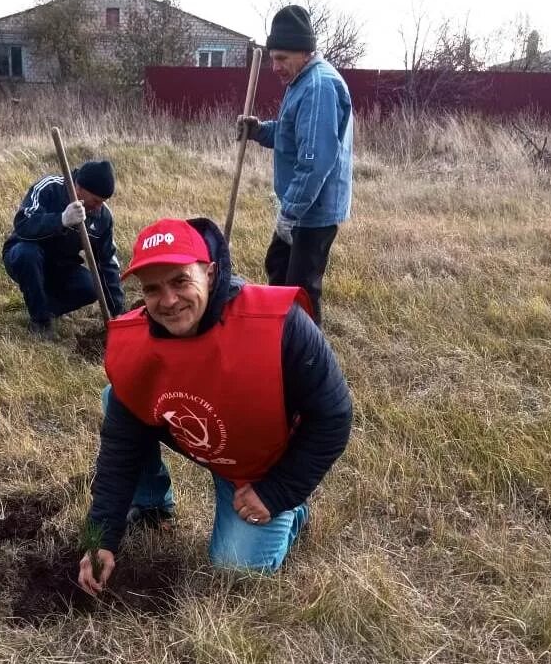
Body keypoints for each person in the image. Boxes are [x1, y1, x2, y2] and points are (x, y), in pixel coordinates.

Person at [77, 217, 353, 596]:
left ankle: (294, 513)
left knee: (235, 573)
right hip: (200, 434)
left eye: (180, 281)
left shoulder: (278, 324)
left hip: (262, 462)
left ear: (209, 272)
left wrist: (277, 492)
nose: (169, 300)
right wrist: (99, 538)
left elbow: (334, 416)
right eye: (153, 288)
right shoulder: (137, 344)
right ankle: (153, 507)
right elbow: (118, 451)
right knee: (118, 398)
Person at [237, 5, 354, 327]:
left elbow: (315, 160)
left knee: (301, 289)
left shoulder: (318, 87)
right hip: (301, 206)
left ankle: (308, 360)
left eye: (282, 59)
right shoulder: (303, 81)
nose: (274, 67)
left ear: (305, 52)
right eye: (273, 57)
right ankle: (281, 339)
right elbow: (292, 135)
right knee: (278, 266)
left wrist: (291, 212)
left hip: (312, 210)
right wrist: (259, 130)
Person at [1, 160, 125, 337]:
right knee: (27, 254)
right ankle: (41, 323)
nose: (99, 208)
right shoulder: (49, 188)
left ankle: (44, 308)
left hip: (62, 267)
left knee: (91, 287)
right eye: (96, 200)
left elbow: (107, 264)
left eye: (103, 202)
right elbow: (23, 224)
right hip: (23, 256)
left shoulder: (102, 217)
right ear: (78, 188)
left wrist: (118, 312)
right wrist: (61, 220)